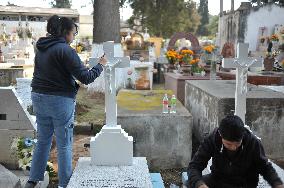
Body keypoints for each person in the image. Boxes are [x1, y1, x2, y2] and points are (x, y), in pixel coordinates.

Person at [24, 15, 107, 188]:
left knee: (43, 140)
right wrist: (100, 65)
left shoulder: (41, 47)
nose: (74, 36)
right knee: (64, 144)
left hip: (39, 97)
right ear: (66, 33)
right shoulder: (65, 50)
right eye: (74, 33)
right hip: (59, 101)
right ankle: (65, 184)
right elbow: (86, 77)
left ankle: (32, 180)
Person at [188, 115, 284, 188]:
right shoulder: (212, 139)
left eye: (237, 143)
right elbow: (194, 166)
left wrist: (277, 183)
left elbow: (265, 168)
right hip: (218, 180)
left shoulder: (253, 143)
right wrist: (200, 184)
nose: (233, 148)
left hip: (244, 184)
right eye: (228, 144)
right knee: (192, 183)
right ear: (220, 135)